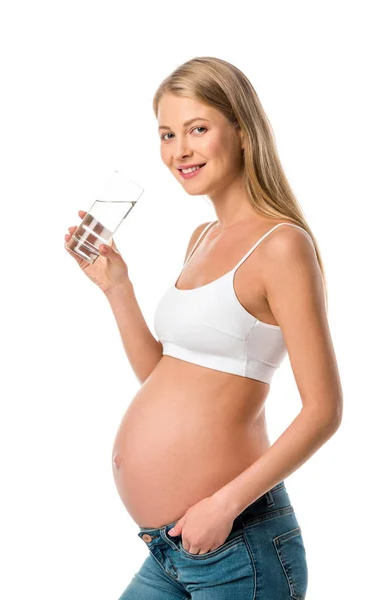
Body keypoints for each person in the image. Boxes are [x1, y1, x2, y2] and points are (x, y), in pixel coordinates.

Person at [65, 56, 343, 599]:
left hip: (237, 549)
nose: (179, 150)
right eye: (167, 134)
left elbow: (324, 410)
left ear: (241, 132)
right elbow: (164, 376)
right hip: (169, 549)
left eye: (198, 129)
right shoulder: (201, 238)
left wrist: (223, 505)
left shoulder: (282, 245)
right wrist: (117, 287)